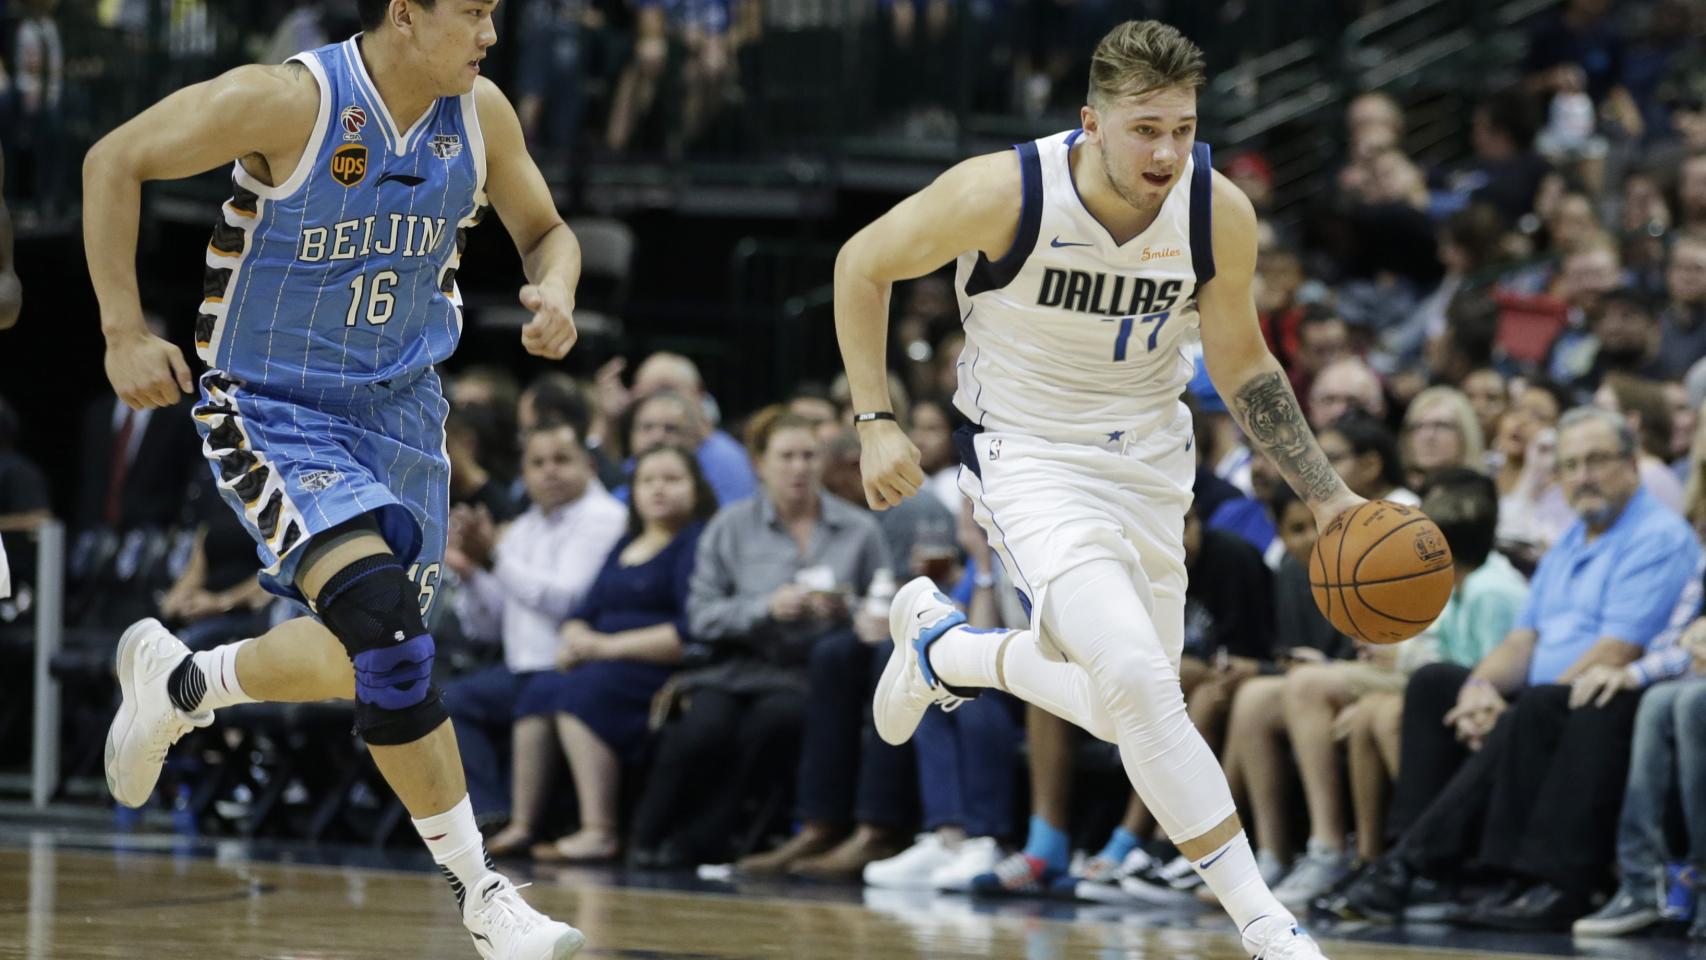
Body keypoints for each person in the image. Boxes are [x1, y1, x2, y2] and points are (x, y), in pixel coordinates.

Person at [834, 19, 1366, 958]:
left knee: (1131, 702)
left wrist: (1327, 496)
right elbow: (861, 264)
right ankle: (1268, 927)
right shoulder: (1004, 192)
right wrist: (875, 420)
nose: (1166, 152)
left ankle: (949, 654)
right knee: (1134, 680)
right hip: (1031, 455)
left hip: (1151, 464)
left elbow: (1244, 366)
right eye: (1145, 129)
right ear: (1092, 123)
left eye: (1183, 130)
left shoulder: (1216, 211)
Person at [85, 2, 589, 956]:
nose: (491, 32)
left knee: (363, 663)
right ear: (405, 14)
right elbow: (112, 158)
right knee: (387, 634)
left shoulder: (482, 116)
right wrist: (121, 328)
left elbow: (549, 231)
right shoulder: (288, 101)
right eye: (473, 11)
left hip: (401, 414)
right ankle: (485, 899)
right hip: (276, 406)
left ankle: (185, 682)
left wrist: (555, 289)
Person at [527, 444, 715, 863]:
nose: (658, 490)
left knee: (583, 693)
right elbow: (585, 610)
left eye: (672, 480)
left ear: (696, 488)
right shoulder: (625, 543)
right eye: (648, 481)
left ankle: (600, 829)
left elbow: (689, 630)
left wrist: (603, 647)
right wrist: (574, 636)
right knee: (538, 691)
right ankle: (525, 824)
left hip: (656, 667)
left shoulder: (695, 543)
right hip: (604, 661)